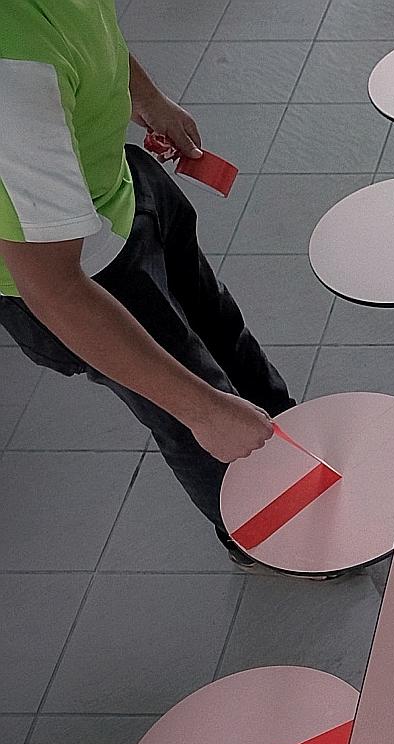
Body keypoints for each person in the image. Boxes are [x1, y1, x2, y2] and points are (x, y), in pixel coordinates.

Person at [1, 0, 294, 568]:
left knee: (219, 324)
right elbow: (54, 289)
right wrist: (204, 411)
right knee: (185, 405)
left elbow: (92, 32)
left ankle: (286, 435)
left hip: (123, 185)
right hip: (86, 278)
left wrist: (146, 95)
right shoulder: (14, 78)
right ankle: (259, 535)